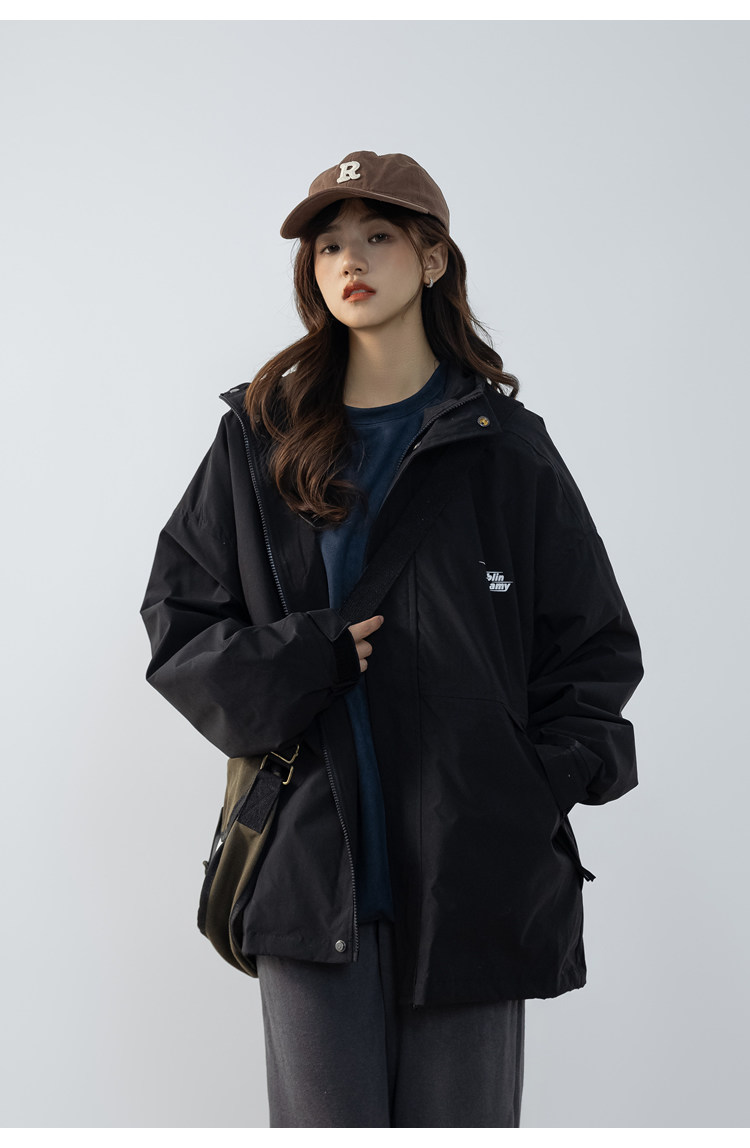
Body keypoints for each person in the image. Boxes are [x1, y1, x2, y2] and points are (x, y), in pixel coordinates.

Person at [140, 150, 644, 1128]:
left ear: (434, 256)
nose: (350, 260)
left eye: (377, 235)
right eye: (329, 244)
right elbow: (179, 626)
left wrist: (528, 785)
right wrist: (304, 657)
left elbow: (593, 645)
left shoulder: (507, 448)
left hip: (474, 877)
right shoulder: (259, 438)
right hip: (308, 875)